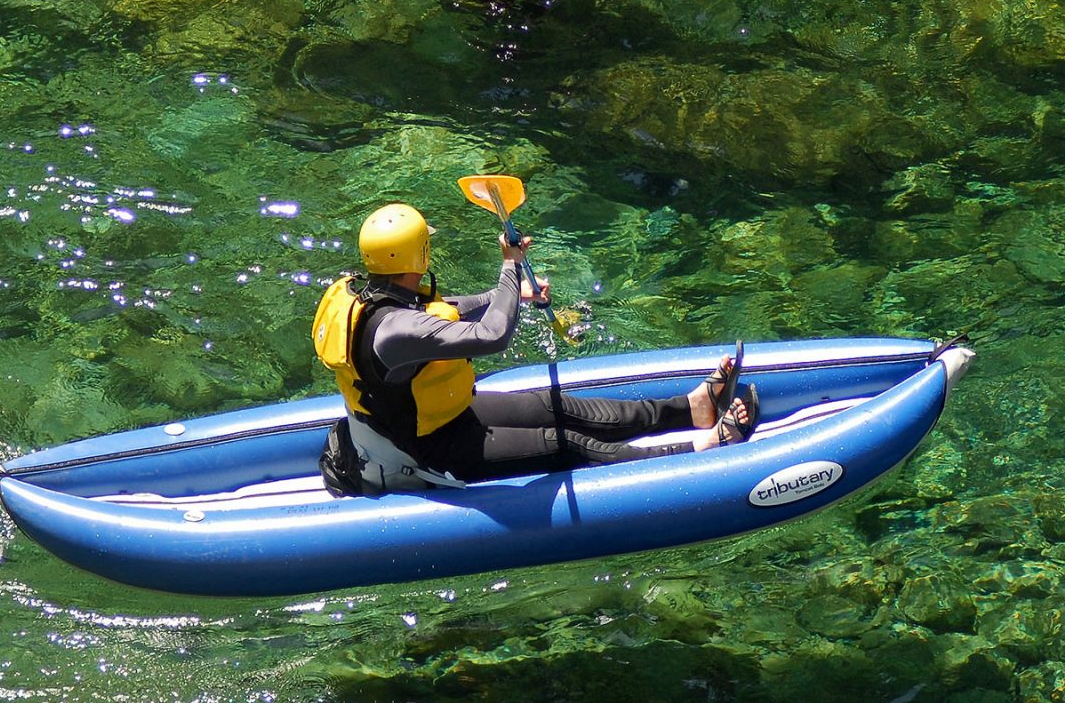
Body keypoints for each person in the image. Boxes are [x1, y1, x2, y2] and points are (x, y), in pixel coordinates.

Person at [317, 202, 754, 493]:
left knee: (558, 408)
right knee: (565, 443)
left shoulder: (380, 297)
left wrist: (514, 293)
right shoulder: (394, 329)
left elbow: (449, 309)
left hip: (451, 416)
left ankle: (690, 410)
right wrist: (510, 267)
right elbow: (492, 336)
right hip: (429, 449)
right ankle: (698, 449)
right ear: (421, 253)